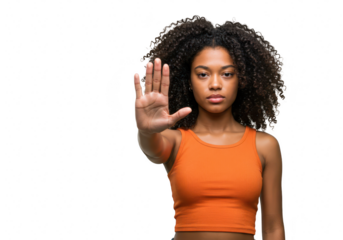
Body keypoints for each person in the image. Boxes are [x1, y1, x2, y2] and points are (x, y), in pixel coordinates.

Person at [134, 13, 286, 240]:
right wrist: (146, 130)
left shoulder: (265, 146)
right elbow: (152, 148)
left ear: (242, 79)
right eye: (203, 74)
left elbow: (273, 229)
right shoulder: (175, 140)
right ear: (189, 81)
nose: (215, 84)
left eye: (227, 74)